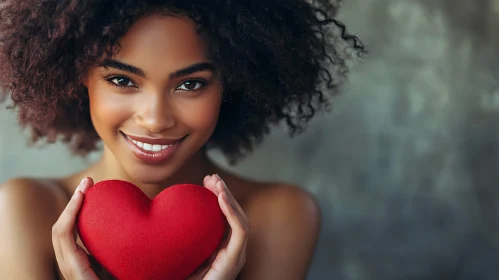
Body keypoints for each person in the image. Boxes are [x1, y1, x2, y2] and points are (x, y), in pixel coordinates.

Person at [0, 0, 364, 279]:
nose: (156, 119)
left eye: (191, 84)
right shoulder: (26, 210)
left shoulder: (278, 216)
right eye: (123, 80)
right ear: (80, 76)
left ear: (230, 85)